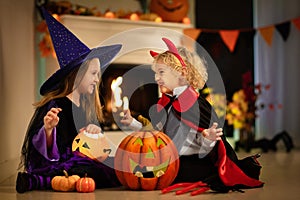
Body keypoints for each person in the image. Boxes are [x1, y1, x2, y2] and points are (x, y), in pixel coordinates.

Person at [121, 38, 264, 193]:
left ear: (182, 73)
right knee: (128, 169)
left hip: (192, 164)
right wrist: (132, 123)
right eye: (156, 73)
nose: (156, 78)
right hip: (169, 161)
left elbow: (205, 148)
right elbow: (155, 136)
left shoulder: (196, 105)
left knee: (143, 174)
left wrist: (207, 138)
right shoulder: (165, 104)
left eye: (161, 72)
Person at [16, 8, 122, 193]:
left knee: (113, 164)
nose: (97, 80)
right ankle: (38, 180)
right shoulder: (56, 104)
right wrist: (48, 129)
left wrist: (94, 132)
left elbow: (88, 145)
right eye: (94, 74)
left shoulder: (84, 105)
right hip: (62, 162)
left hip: (81, 160)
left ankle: (59, 180)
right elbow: (44, 151)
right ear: (78, 74)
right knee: (87, 170)